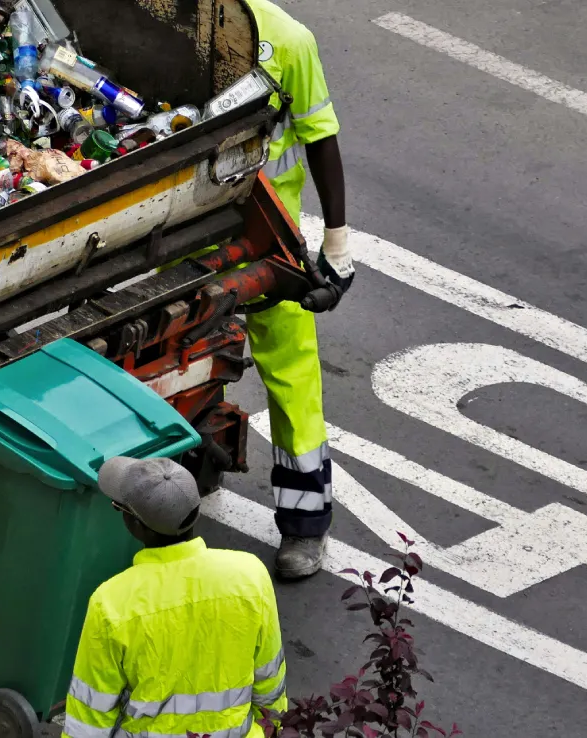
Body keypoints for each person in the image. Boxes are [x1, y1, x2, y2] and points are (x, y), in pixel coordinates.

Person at [63, 456, 289, 738]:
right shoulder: (250, 576)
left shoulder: (111, 604)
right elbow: (270, 682)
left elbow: (89, 716)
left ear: (136, 525)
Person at [244, 0, 353, 580]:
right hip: (187, 226)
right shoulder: (172, 23)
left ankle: (305, 527)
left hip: (266, 234)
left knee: (291, 379)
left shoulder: (287, 40)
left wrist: (336, 242)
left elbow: (321, 138)